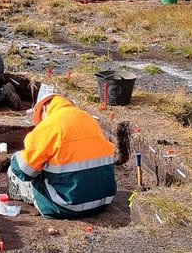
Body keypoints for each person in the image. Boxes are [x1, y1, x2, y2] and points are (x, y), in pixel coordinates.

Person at [9, 89, 117, 219]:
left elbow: (23, 170)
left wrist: (15, 159)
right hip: (104, 200)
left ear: (44, 107)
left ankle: (23, 192)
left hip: (67, 207)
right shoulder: (87, 118)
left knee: (21, 173)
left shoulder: (50, 124)